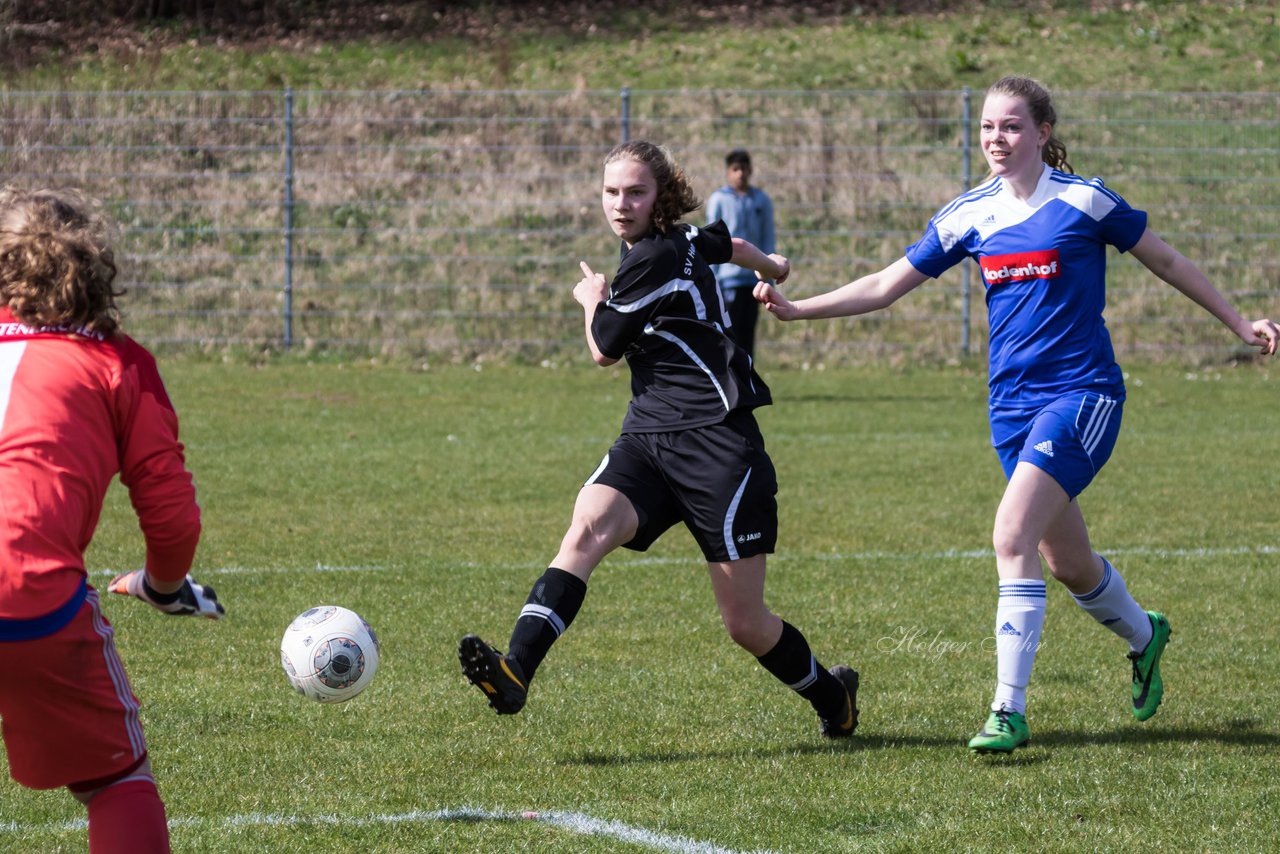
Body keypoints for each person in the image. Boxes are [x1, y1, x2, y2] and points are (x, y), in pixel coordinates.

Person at [753, 76, 1278, 754]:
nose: (994, 140)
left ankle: (1008, 709)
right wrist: (801, 309)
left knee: (1010, 536)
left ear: (1042, 133)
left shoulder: (1086, 200)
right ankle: (1146, 637)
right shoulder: (970, 214)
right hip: (1010, 410)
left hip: (1083, 396)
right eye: (985, 128)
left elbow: (1167, 260)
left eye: (1009, 127)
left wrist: (1238, 322)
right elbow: (886, 285)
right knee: (1068, 562)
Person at [459, 139, 859, 739]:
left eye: (636, 192)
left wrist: (590, 300)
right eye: (611, 192)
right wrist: (774, 269)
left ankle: (834, 697)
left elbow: (602, 351)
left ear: (660, 194)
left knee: (745, 624)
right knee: (586, 529)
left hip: (717, 446)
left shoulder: (653, 256)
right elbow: (734, 245)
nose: (622, 204)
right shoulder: (688, 240)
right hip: (648, 435)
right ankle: (515, 669)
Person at [0, 186, 224, 853]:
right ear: (97, 268)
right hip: (27, 593)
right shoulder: (117, 365)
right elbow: (173, 518)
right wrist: (162, 586)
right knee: (116, 780)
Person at [706, 148, 776, 361]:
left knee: (748, 333)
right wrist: (711, 280)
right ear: (728, 172)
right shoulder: (719, 199)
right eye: (735, 169)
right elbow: (711, 242)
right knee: (730, 332)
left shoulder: (761, 200)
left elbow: (767, 238)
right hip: (728, 280)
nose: (740, 174)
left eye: (744, 169)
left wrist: (769, 276)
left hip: (753, 281)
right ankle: (731, 377)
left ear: (750, 170)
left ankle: (747, 378)